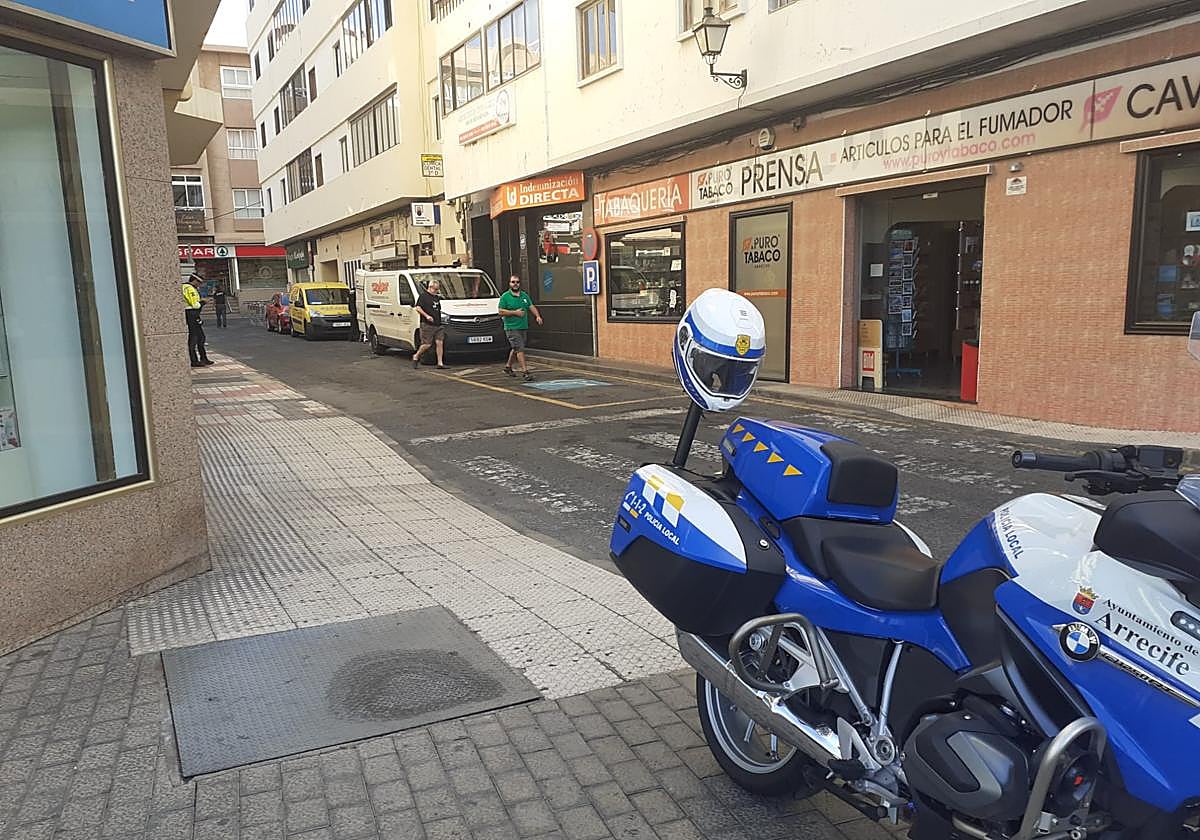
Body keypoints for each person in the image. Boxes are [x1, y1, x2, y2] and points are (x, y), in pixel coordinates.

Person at [498, 274, 542, 381]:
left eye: (517, 282)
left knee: (516, 348)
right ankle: (525, 372)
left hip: (522, 327)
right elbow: (500, 311)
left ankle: (508, 367)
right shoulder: (505, 297)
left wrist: (537, 316)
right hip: (511, 327)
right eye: (513, 282)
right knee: (520, 349)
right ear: (509, 284)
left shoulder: (524, 296)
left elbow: (531, 306)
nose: (515, 284)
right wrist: (515, 313)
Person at [412, 278, 446, 369]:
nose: (436, 291)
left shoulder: (436, 297)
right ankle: (416, 356)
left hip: (438, 324)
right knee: (427, 344)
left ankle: (440, 363)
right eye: (435, 289)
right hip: (427, 324)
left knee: (440, 342)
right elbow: (418, 308)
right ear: (430, 287)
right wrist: (427, 316)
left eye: (437, 289)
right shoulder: (423, 297)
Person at [182, 276, 213, 367]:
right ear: (194, 280)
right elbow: (195, 305)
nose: (200, 284)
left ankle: (203, 358)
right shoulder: (189, 289)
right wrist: (203, 302)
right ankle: (194, 360)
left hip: (191, 314)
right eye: (199, 282)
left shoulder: (185, 287)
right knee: (194, 338)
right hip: (192, 314)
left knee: (200, 337)